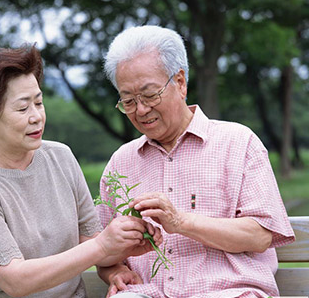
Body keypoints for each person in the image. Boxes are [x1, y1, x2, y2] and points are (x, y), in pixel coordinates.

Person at [0, 45, 163, 298]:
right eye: (23, 108)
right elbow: (16, 281)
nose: (37, 116)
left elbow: (89, 241)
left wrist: (124, 250)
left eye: (39, 102)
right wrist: (103, 246)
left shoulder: (60, 157)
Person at [96, 25, 295, 298]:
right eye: (128, 101)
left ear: (180, 83)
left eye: (150, 95)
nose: (141, 110)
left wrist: (180, 222)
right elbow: (103, 251)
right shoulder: (121, 162)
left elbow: (260, 236)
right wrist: (115, 271)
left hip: (228, 292)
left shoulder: (238, 143)